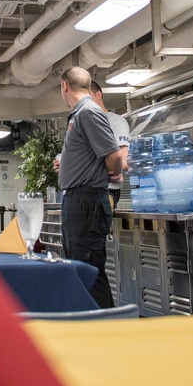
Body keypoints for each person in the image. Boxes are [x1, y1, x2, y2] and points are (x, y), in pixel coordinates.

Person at [57, 67, 123, 309]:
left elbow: (114, 154)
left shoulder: (88, 112)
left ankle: (106, 331)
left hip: (87, 201)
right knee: (79, 268)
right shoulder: (80, 114)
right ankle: (93, 325)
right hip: (78, 201)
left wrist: (113, 171)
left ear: (65, 86)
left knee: (88, 271)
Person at [90, 81, 130, 211]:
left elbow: (124, 162)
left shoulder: (116, 122)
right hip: (85, 192)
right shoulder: (85, 124)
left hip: (106, 191)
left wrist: (85, 169)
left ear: (98, 95)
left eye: (87, 97)